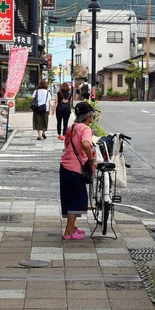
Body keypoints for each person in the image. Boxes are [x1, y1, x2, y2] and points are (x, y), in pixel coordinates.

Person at [59, 102, 97, 240]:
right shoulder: (85, 129)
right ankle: (68, 232)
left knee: (68, 198)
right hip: (76, 168)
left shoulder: (71, 126)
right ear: (88, 116)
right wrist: (91, 159)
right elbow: (85, 144)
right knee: (78, 198)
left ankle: (71, 228)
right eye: (92, 114)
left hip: (64, 166)